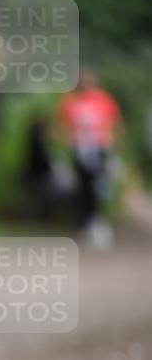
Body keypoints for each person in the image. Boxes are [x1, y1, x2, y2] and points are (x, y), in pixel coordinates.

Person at [54, 67, 123, 249]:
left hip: (100, 148)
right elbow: (59, 125)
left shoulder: (103, 99)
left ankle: (97, 221)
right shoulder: (68, 100)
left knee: (99, 186)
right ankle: (84, 223)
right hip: (79, 149)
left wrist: (115, 148)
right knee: (82, 186)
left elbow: (116, 123)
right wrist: (64, 142)